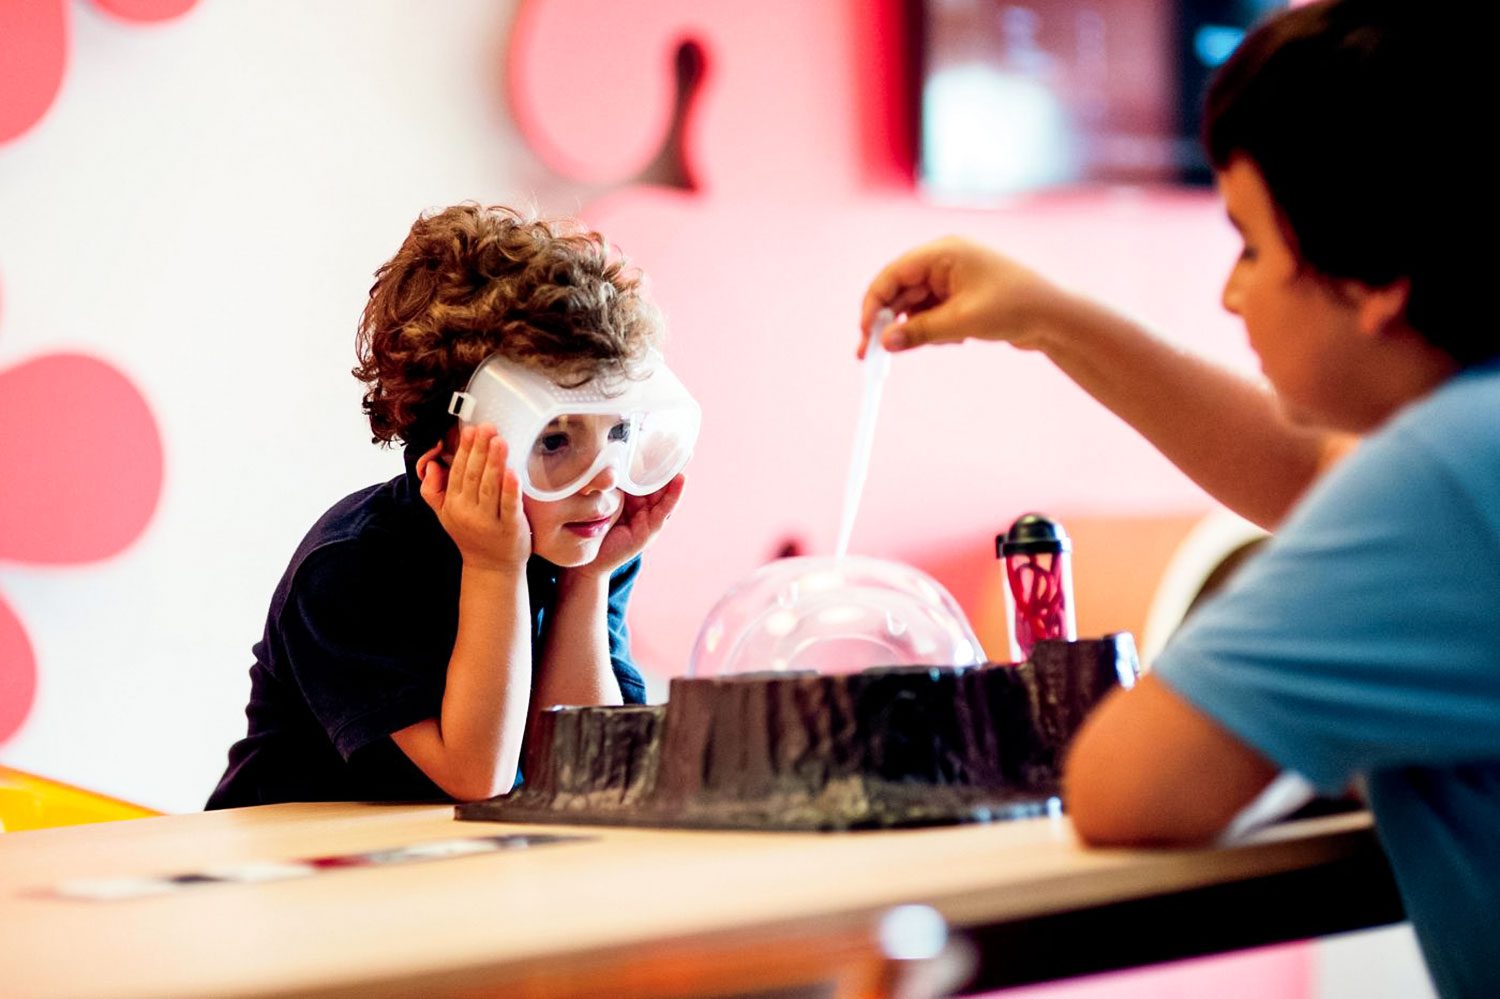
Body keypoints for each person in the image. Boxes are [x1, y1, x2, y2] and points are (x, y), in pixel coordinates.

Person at [859, 2, 1495, 995]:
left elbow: (1130, 785)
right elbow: (1304, 473)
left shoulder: (1441, 474)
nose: (1229, 295)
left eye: (1248, 245)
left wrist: (1308, 719)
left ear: (1378, 280)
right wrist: (1049, 318)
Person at [208, 205, 691, 809]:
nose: (603, 481)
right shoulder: (351, 568)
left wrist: (587, 585)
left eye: (620, 433)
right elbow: (472, 779)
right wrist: (494, 567)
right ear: (441, 459)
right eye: (555, 440)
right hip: (294, 879)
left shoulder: (582, 545)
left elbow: (588, 777)